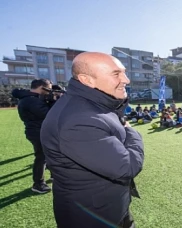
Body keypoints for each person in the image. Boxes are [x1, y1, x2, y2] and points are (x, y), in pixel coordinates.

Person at [40, 52, 144, 228]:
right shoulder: (79, 120)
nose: (126, 79)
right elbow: (126, 167)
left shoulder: (93, 103)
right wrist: (133, 134)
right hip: (93, 218)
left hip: (111, 209)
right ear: (87, 80)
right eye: (116, 74)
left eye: (124, 72)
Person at [11, 79, 53, 194]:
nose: (49, 91)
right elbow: (49, 114)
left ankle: (51, 175)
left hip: (36, 131)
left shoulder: (30, 98)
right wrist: (54, 102)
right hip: (37, 132)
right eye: (48, 89)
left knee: (47, 154)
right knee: (41, 157)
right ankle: (38, 184)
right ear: (41, 88)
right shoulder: (31, 101)